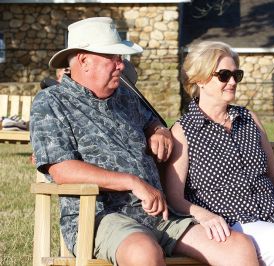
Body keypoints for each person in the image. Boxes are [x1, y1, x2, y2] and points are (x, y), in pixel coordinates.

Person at [30, 17, 258, 266]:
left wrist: (159, 130)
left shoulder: (125, 95)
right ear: (84, 60)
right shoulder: (51, 102)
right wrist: (131, 182)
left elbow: (152, 121)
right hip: (100, 218)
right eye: (113, 57)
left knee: (238, 247)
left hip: (160, 216)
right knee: (144, 252)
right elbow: (62, 169)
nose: (121, 65)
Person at [164, 41, 274, 266]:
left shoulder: (249, 119)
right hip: (228, 222)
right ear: (199, 79)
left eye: (237, 74)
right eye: (224, 75)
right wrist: (204, 215)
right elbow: (174, 196)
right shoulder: (183, 131)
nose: (233, 81)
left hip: (271, 216)